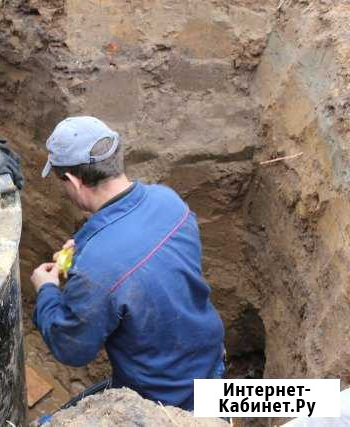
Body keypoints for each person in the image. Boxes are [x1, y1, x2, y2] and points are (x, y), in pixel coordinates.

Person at [31, 116, 225, 411]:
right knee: (316, 403)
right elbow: (144, 266)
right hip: (211, 371)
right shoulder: (169, 200)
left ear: (73, 180)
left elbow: (72, 346)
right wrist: (85, 256)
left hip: (161, 405)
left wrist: (46, 291)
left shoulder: (97, 268)